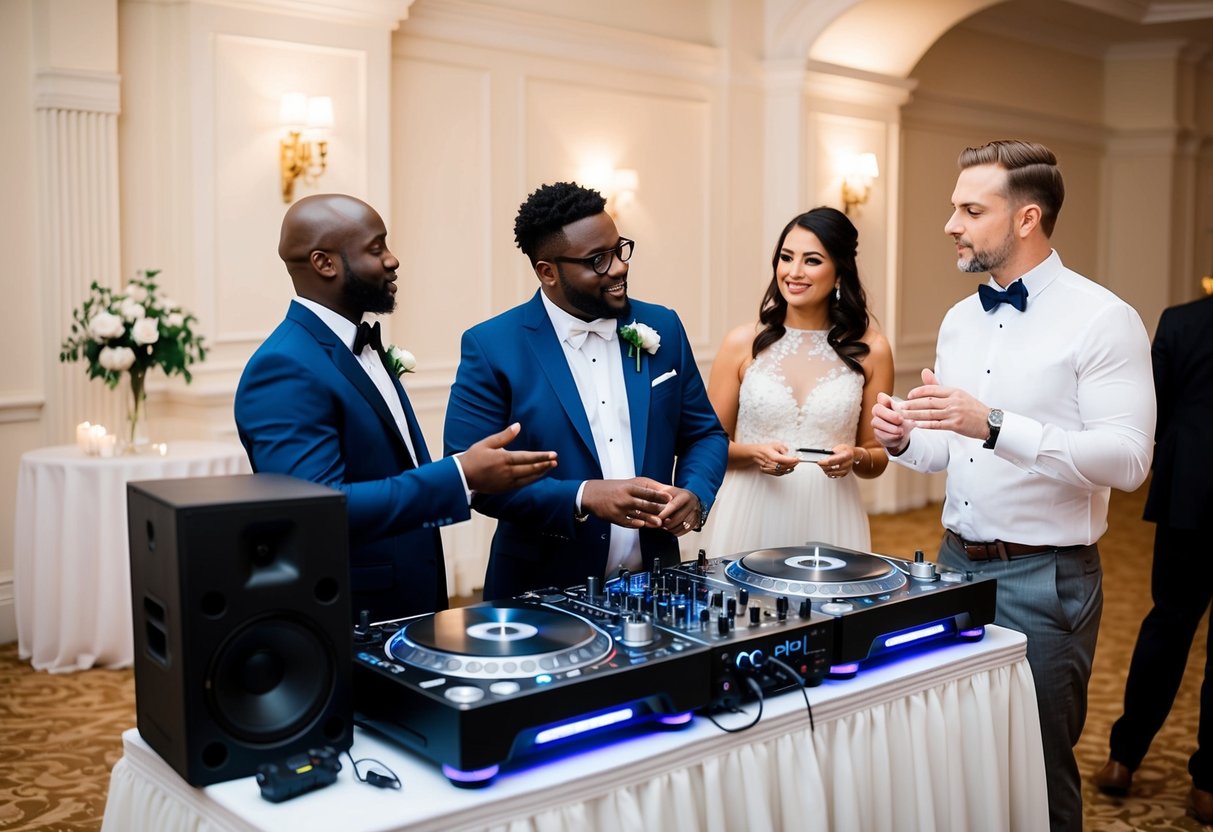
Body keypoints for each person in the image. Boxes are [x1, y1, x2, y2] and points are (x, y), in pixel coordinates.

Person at [870, 140, 1155, 832]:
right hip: (951, 568)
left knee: (1037, 766)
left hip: (1044, 578)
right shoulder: (958, 321)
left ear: (1027, 218)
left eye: (971, 211)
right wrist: (904, 438)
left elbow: (1127, 462)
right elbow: (950, 450)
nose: (951, 225)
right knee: (954, 756)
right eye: (954, 209)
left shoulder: (1103, 319)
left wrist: (995, 424)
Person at [235, 194, 557, 622]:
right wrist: (460, 475)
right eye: (376, 249)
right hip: (355, 611)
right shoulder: (284, 366)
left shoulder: (353, 347)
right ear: (325, 263)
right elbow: (318, 509)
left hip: (408, 594)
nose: (392, 260)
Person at [443, 182, 728, 600]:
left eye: (619, 250)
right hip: (540, 592)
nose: (619, 268)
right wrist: (582, 496)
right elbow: (471, 477)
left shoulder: (663, 325)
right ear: (548, 272)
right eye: (597, 260)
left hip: (656, 585)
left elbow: (705, 434)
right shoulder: (492, 347)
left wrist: (695, 493)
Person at [698, 207, 892, 557]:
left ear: (839, 272)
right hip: (751, 511)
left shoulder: (872, 350)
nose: (794, 271)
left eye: (812, 260)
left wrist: (855, 457)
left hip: (832, 514)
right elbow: (709, 445)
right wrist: (754, 453)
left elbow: (877, 455)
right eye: (786, 258)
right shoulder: (741, 343)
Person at [1095, 293, 1213, 823]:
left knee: (1168, 625)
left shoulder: (1182, 321)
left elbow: (1152, 411)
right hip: (1189, 494)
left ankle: (1123, 757)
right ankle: (1208, 785)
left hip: (1190, 494)